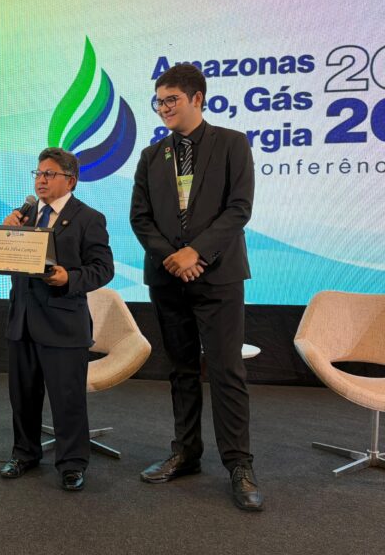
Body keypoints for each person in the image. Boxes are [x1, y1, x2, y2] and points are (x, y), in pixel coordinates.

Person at [129, 64, 263, 511]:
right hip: (167, 278)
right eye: (159, 101)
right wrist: (173, 257)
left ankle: (239, 464)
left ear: (197, 99)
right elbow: (140, 217)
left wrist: (197, 253)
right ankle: (186, 452)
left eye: (172, 100)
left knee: (226, 370)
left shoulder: (231, 143)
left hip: (219, 277)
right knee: (181, 370)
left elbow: (239, 208)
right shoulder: (152, 156)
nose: (164, 108)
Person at [0, 147, 114, 491]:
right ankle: (24, 453)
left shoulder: (88, 218)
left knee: (67, 399)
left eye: (49, 174)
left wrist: (69, 278)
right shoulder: (25, 214)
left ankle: (72, 463)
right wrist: (6, 233)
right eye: (38, 173)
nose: (41, 180)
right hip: (22, 320)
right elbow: (9, 260)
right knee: (22, 396)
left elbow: (103, 268)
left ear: (71, 181)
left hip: (63, 323)